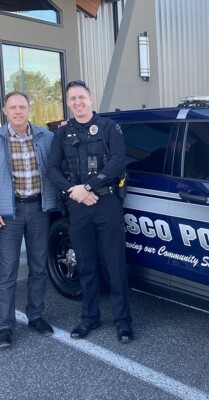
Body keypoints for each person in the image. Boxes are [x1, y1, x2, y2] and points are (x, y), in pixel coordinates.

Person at [47, 80, 133, 343]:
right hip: (78, 206)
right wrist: (75, 191)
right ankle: (90, 318)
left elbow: (118, 161)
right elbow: (52, 169)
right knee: (86, 264)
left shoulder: (109, 127)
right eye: (72, 98)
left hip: (106, 203)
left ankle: (123, 322)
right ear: (68, 102)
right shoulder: (62, 133)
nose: (77, 102)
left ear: (91, 99)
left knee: (115, 264)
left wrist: (88, 186)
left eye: (81, 97)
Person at [0, 91, 58, 349]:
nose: (17, 111)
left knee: (38, 266)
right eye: (12, 107)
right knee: (8, 271)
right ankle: (5, 326)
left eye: (22, 106)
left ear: (29, 109)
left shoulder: (46, 137)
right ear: (5, 111)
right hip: (9, 214)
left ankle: (35, 316)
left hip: (38, 209)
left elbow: (60, 161)